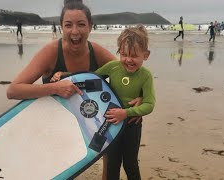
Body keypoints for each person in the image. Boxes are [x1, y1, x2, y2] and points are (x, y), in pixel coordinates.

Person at [52, 24, 155, 180]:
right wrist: (65, 76)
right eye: (123, 54)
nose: (128, 60)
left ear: (145, 55)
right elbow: (91, 78)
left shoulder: (145, 76)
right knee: (112, 164)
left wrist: (126, 113)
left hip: (131, 125)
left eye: (134, 55)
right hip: (110, 125)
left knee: (130, 164)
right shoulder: (114, 67)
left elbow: (149, 104)